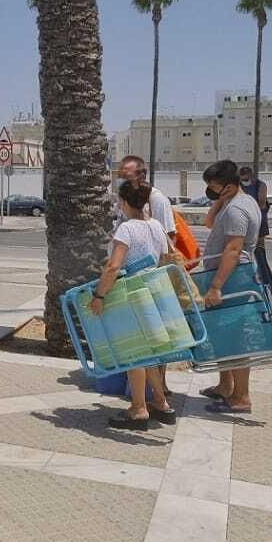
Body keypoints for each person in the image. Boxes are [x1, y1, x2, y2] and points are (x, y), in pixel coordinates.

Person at [94, 181, 174, 428]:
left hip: (131, 296)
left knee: (135, 354)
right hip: (154, 294)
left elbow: (114, 266)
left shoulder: (127, 229)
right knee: (150, 353)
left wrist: (99, 296)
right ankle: (161, 402)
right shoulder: (157, 227)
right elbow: (164, 258)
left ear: (125, 202)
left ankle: (139, 408)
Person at [198, 160, 264, 415]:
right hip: (227, 276)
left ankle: (241, 396)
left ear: (228, 185)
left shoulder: (238, 209)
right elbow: (209, 223)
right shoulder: (233, 203)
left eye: (214, 186)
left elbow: (234, 249)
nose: (211, 190)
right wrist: (220, 199)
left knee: (234, 337)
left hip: (232, 278)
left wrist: (216, 286)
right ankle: (226, 386)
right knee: (223, 334)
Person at [238, 165, 272, 304]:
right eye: (242, 178)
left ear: (251, 175)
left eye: (246, 178)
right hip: (244, 226)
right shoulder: (238, 186)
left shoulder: (260, 185)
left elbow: (261, 203)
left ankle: (269, 295)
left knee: (261, 260)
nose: (244, 181)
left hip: (258, 227)